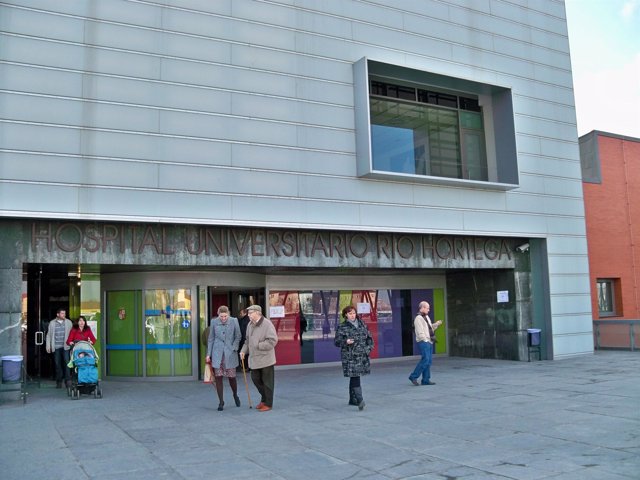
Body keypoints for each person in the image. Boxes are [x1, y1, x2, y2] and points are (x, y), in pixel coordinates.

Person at [334, 305, 374, 411]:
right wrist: (345, 342)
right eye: (350, 313)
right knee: (355, 376)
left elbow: (370, 338)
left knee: (355, 376)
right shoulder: (342, 327)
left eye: (354, 313)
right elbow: (337, 342)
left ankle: (352, 399)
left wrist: (368, 349)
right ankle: (360, 400)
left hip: (362, 355)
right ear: (345, 315)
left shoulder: (362, 325)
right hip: (350, 356)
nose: (352, 315)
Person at [239, 305, 278, 412]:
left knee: (267, 382)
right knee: (255, 379)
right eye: (248, 313)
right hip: (254, 359)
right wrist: (243, 351)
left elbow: (273, 341)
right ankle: (264, 399)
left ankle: (268, 403)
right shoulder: (249, 325)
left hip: (266, 359)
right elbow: (247, 341)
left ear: (258, 313)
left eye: (250, 313)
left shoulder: (267, 324)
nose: (248, 315)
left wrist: (259, 345)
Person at [206, 306, 242, 411]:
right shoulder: (214, 322)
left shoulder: (234, 321)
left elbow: (238, 336)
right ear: (218, 314)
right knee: (218, 377)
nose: (223, 318)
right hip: (217, 353)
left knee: (232, 377)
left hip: (230, 353)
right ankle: (221, 402)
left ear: (228, 314)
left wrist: (234, 348)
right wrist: (209, 354)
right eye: (221, 316)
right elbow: (211, 338)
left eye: (225, 316)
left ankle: (235, 395)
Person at [409, 301, 443, 386]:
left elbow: (430, 328)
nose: (429, 309)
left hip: (429, 341)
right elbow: (420, 331)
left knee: (428, 361)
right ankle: (413, 376)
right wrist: (425, 340)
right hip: (424, 341)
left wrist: (436, 324)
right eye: (427, 308)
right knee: (425, 360)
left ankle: (425, 380)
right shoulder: (418, 318)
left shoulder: (426, 317)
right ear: (422, 308)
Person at [45, 308, 73, 388]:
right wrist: (48, 346)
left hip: (66, 347)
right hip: (56, 347)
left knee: (67, 364)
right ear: (58, 314)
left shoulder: (68, 322)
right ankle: (59, 381)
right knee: (57, 365)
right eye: (62, 313)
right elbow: (49, 335)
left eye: (64, 313)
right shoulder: (52, 323)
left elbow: (72, 334)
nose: (64, 315)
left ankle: (68, 381)